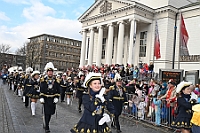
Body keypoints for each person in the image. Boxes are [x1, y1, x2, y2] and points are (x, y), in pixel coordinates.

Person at [40, 62, 60, 133]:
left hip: (52, 99)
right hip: (46, 99)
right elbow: (41, 89)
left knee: (51, 112)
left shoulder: (56, 81)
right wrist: (41, 97)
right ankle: (47, 126)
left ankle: (47, 123)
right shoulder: (43, 80)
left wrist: (57, 97)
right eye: (49, 72)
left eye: (51, 72)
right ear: (47, 72)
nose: (50, 73)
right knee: (46, 113)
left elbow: (58, 90)